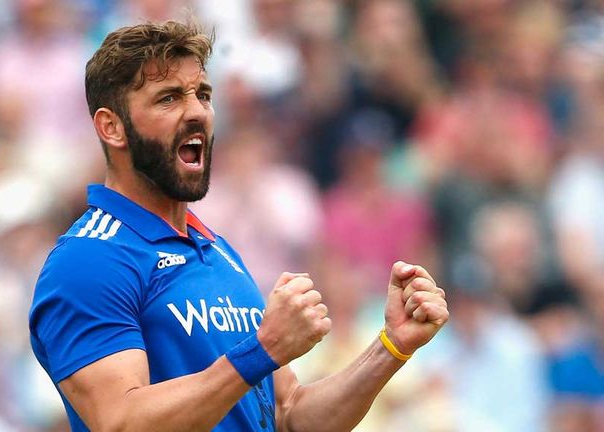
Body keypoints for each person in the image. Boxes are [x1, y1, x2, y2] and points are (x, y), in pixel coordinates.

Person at [28, 20, 449, 432]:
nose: (197, 113)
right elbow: (120, 422)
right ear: (111, 127)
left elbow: (290, 415)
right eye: (169, 99)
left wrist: (391, 346)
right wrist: (262, 350)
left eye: (203, 95)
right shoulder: (89, 260)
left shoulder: (216, 251)